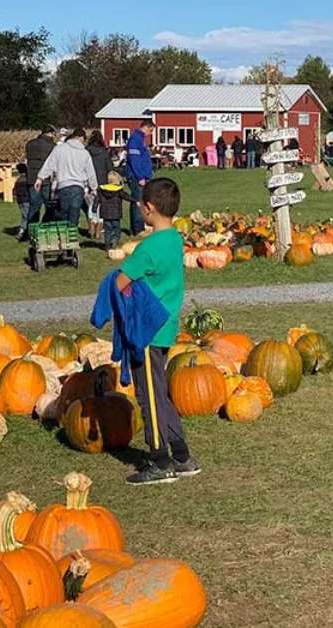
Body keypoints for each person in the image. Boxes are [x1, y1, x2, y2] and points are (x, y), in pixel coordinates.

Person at [111, 178, 199, 485]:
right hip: (166, 327)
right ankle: (183, 456)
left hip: (146, 331)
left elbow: (120, 282)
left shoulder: (147, 249)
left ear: (148, 209)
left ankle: (161, 461)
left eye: (141, 205)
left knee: (148, 396)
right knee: (160, 392)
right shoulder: (175, 240)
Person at [34, 128, 98, 225]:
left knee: (64, 212)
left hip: (63, 186)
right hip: (78, 187)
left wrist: (40, 178)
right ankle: (72, 235)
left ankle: (64, 235)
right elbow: (91, 172)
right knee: (74, 213)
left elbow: (49, 164)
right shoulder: (85, 153)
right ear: (81, 138)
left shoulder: (59, 149)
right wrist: (94, 188)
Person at [124, 120, 154, 235]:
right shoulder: (135, 140)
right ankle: (138, 229)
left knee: (141, 200)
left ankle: (138, 226)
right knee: (138, 201)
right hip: (137, 177)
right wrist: (140, 176)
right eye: (150, 131)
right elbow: (134, 160)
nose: (150, 134)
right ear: (146, 127)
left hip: (143, 176)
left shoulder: (140, 139)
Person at [97, 171, 134, 253]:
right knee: (117, 230)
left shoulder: (102, 190)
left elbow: (97, 199)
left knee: (107, 231)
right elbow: (126, 197)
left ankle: (107, 245)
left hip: (105, 214)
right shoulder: (119, 191)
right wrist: (134, 201)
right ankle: (114, 243)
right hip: (116, 215)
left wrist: (94, 208)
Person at [86, 131, 111, 239]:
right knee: (101, 205)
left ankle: (92, 222)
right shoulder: (104, 152)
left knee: (91, 204)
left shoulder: (86, 151)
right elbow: (109, 168)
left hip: (89, 181)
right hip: (102, 182)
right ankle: (99, 228)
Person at [12, 164, 31, 240]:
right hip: (26, 200)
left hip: (20, 200)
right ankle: (22, 232)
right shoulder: (26, 180)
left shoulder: (18, 180)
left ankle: (23, 231)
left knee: (24, 216)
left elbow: (15, 191)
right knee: (27, 217)